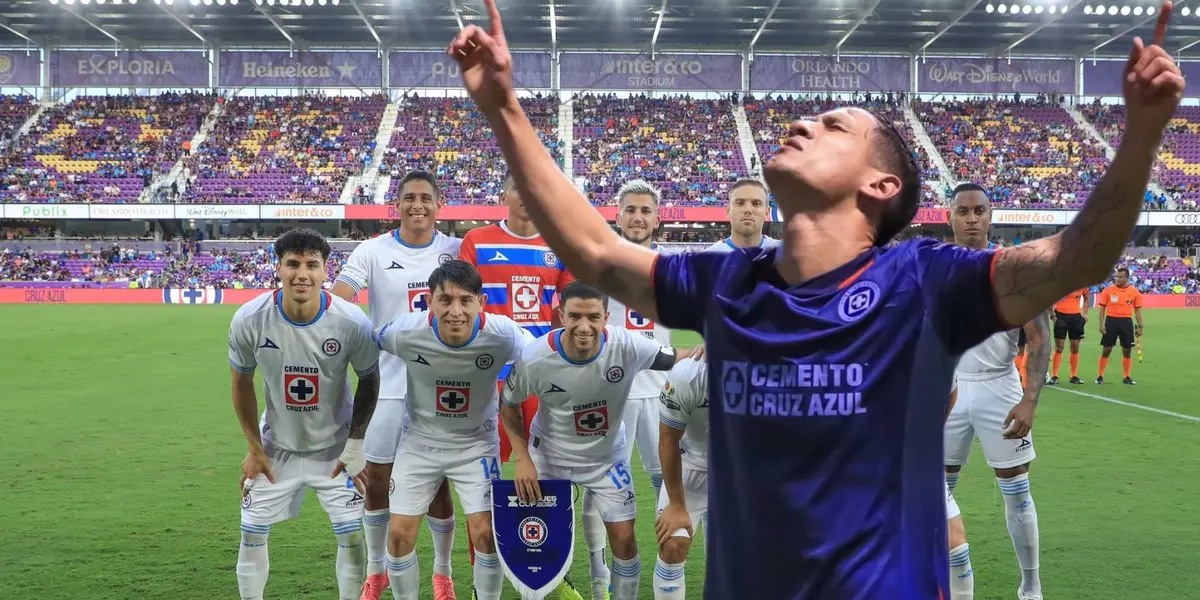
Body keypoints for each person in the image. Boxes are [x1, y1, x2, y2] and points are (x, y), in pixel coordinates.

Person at [448, 1, 1182, 594]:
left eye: (834, 127)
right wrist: (504, 108)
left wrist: (1143, 133)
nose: (800, 123)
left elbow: (1078, 257)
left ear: (881, 186)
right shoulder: (728, 282)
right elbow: (598, 255)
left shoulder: (925, 283)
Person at [500, 282, 685, 600]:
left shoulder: (629, 345)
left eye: (593, 317)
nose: (584, 327)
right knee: (539, 542)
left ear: (606, 316)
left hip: (607, 459)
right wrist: (523, 458)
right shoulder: (535, 358)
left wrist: (717, 350)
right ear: (561, 315)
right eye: (574, 316)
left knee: (625, 540)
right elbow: (508, 404)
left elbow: (675, 358)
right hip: (550, 456)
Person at [331, 170, 464, 600]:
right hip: (387, 386)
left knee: (439, 485)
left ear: (439, 204)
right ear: (397, 204)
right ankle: (376, 571)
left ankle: (443, 575)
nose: (418, 205)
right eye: (409, 198)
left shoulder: (457, 250)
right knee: (377, 482)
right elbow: (341, 296)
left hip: (441, 385)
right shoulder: (372, 250)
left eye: (426, 198)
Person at [230, 228, 382, 600]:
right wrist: (254, 449)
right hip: (275, 449)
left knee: (350, 536)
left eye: (312, 265)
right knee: (251, 533)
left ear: (325, 270)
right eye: (293, 264)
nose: (302, 273)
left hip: (334, 451)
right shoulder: (250, 319)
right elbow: (241, 384)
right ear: (278, 268)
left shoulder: (351, 322)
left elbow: (369, 381)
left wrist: (355, 445)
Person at [457, 173, 589, 600]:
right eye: (519, 189)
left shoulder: (559, 245)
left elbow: (567, 316)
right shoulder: (477, 240)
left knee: (550, 472)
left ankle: (553, 570)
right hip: (487, 378)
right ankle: (484, 577)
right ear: (504, 196)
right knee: (486, 478)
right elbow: (462, 303)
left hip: (540, 380)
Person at [373, 260, 533, 600]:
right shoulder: (405, 332)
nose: (455, 311)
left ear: (481, 303)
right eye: (445, 300)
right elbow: (361, 346)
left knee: (486, 533)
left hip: (476, 444)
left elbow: (544, 359)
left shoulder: (503, 334)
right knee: (400, 535)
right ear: (429, 302)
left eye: (465, 300)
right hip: (419, 442)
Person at [942, 183, 1050, 600]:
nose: (971, 218)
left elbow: (1040, 339)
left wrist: (1029, 400)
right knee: (933, 495)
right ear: (949, 215)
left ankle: (1031, 585)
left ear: (991, 216)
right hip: (944, 393)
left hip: (999, 388)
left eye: (979, 211)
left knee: (1017, 489)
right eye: (963, 211)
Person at [609, 179, 669, 503]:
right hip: (614, 388)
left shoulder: (673, 270)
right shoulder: (598, 266)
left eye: (645, 211)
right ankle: (601, 556)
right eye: (630, 210)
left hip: (660, 389)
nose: (637, 217)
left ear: (656, 220)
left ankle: (669, 556)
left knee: (665, 475)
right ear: (617, 217)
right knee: (610, 482)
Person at [652, 357, 710, 600]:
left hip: (740, 472)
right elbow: (668, 440)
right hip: (690, 467)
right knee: (673, 544)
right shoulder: (688, 374)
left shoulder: (773, 372)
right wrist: (676, 504)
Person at [944, 374, 973, 600]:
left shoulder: (934, 349)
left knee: (958, 551)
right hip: (866, 464)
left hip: (918, 462)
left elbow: (951, 392)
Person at [1095, 267, 1144, 385]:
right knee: (1107, 349)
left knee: (1127, 350)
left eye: (1121, 277)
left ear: (1127, 278)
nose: (1117, 279)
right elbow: (1102, 309)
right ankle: (1100, 376)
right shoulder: (1108, 290)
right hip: (1111, 321)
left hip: (1126, 322)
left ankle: (1126, 376)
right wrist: (1101, 324)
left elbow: (1137, 310)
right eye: (1117, 276)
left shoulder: (1134, 292)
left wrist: (1140, 326)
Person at [704, 178, 778, 252]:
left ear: (767, 213)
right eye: (740, 203)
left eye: (756, 204)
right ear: (728, 211)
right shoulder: (707, 259)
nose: (748, 210)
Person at [1049, 287, 1092, 385]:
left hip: (1076, 318)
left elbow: (1086, 297)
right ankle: (1054, 375)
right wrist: (1052, 315)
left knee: (1075, 347)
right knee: (1059, 347)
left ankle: (1073, 375)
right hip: (1060, 316)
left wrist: (1084, 313)